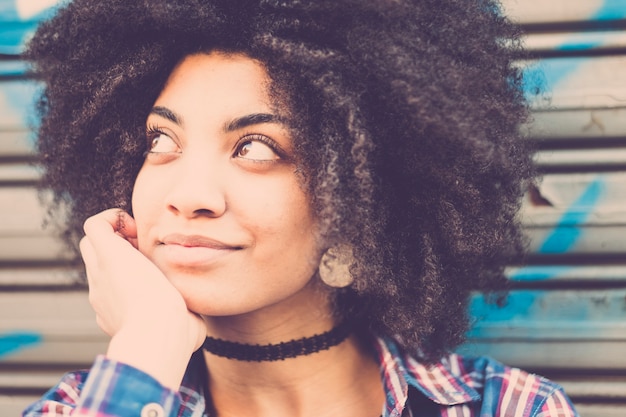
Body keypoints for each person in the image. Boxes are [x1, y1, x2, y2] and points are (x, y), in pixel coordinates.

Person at [23, 0, 579, 416]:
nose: (187, 195)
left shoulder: (508, 407)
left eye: (255, 148)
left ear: (360, 209)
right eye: (160, 141)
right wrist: (145, 348)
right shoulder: (90, 402)